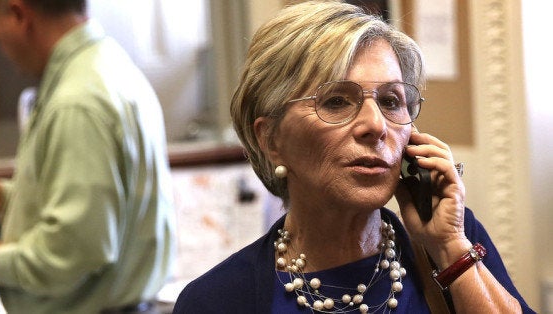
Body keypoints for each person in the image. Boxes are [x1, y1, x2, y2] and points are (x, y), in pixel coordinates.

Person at [173, 1, 534, 313]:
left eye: (391, 101)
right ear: (270, 138)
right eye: (335, 101)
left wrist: (449, 247)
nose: (376, 126)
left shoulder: (451, 241)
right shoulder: (218, 300)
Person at [0, 0, 175, 313]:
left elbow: (79, 246)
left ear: (20, 14)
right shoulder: (107, 66)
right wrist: (2, 196)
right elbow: (105, 208)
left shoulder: (77, 102)